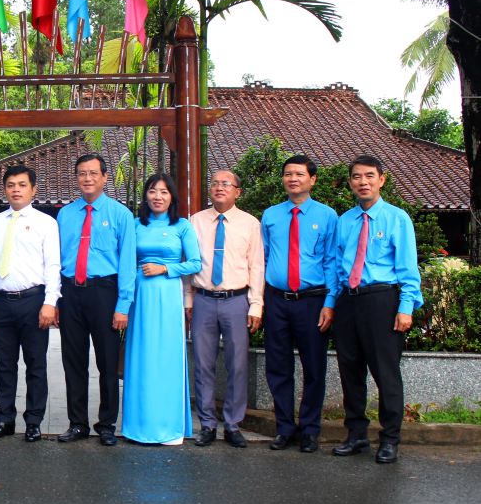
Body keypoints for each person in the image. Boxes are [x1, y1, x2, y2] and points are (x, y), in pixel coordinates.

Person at [330, 155, 422, 464]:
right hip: (348, 301)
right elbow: (336, 268)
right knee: (350, 372)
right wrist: (331, 304)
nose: (363, 182)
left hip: (382, 301)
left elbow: (409, 268)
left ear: (381, 180)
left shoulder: (397, 219)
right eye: (357, 177)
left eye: (369, 176)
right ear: (351, 183)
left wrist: (406, 307)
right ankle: (356, 435)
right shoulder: (345, 221)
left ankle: (390, 439)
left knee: (386, 373)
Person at [56, 153, 136, 446]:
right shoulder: (65, 215)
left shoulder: (120, 215)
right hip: (71, 292)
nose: (87, 178)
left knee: (107, 362)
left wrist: (122, 306)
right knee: (73, 361)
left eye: (93, 173)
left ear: (105, 177)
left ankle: (106, 424)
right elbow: (56, 260)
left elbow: (127, 263)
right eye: (81, 173)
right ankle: (77, 423)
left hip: (105, 292)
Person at [261, 155, 338, 453]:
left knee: (313, 367)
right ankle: (284, 428)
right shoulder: (270, 215)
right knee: (277, 366)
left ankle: (309, 429)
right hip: (277, 299)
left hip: (312, 300)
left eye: (299, 174)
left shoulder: (328, 216)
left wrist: (330, 302)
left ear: (312, 179)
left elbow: (332, 261)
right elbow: (263, 259)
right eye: (288, 174)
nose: (293, 179)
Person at [0, 165, 61, 443]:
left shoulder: (46, 223)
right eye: (11, 184)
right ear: (4, 189)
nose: (16, 189)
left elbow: (53, 265)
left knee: (35, 364)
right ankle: (4, 419)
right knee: (5, 365)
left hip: (33, 301)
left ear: (33, 189)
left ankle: (34, 421)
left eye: (22, 184)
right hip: (1, 301)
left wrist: (50, 303)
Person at [185, 169, 264, 448]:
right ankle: (207, 423)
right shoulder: (195, 221)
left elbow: (256, 266)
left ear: (237, 191)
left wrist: (256, 304)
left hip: (236, 300)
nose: (219, 187)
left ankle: (232, 423)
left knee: (237, 364)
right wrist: (188, 300)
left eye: (226, 184)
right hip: (204, 299)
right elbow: (188, 263)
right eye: (215, 183)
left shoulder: (250, 223)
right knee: (203, 364)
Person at [122, 173, 201, 445]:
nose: (158, 196)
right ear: (146, 195)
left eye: (164, 192)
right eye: (153, 191)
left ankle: (169, 427)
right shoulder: (135, 225)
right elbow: (124, 261)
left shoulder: (182, 226)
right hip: (141, 296)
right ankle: (138, 426)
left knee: (166, 357)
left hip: (167, 295)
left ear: (172, 197)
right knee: (141, 357)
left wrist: (166, 268)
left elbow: (195, 263)